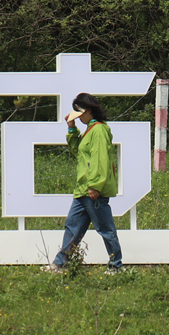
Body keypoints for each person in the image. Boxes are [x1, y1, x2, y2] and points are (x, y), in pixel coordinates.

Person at [42, 92, 124, 274]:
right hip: (83, 190)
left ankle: (116, 266)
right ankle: (61, 264)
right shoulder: (89, 130)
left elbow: (99, 159)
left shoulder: (99, 130)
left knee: (105, 229)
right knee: (72, 226)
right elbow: (78, 151)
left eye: (79, 113)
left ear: (88, 111)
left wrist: (95, 185)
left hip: (92, 190)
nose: (78, 117)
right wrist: (71, 129)